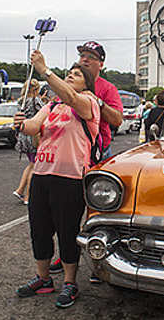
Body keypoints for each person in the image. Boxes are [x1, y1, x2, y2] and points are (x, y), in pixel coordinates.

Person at [14, 52, 100, 309]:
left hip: (70, 177)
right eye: (69, 74)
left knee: (67, 232)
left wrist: (44, 70)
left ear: (86, 84)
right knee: (39, 230)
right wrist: (21, 124)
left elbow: (71, 97)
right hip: (42, 175)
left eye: (76, 75)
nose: (70, 76)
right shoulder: (51, 106)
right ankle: (43, 279)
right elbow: (33, 127)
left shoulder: (88, 102)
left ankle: (70, 282)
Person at [49, 41, 123, 281]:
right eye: (82, 55)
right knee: (67, 210)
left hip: (98, 154)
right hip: (67, 154)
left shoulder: (107, 88)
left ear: (101, 63)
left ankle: (98, 261)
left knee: (98, 209)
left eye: (91, 56)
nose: (84, 59)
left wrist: (98, 102)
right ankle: (67, 254)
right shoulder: (68, 83)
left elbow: (118, 120)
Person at [12, 79, 44, 205]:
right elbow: (46, 111)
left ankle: (20, 190)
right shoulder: (36, 101)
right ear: (36, 90)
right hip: (33, 135)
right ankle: (28, 196)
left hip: (23, 136)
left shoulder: (21, 101)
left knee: (30, 164)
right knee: (34, 167)